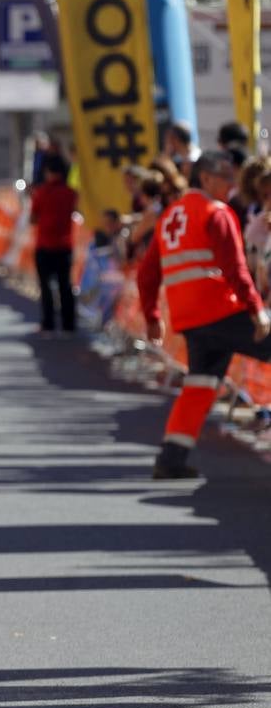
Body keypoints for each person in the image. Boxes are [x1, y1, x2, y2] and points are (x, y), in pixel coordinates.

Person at [136, 149, 271, 479]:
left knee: (200, 384)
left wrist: (153, 316)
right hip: (220, 310)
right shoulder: (216, 212)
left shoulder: (171, 215)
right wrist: (257, 312)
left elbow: (147, 272)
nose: (231, 185)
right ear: (206, 178)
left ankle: (171, 458)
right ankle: (171, 459)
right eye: (225, 177)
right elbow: (235, 270)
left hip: (190, 317)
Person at [29, 154, 78, 335]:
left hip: (45, 244)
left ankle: (48, 322)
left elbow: (33, 218)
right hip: (65, 245)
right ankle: (69, 323)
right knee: (66, 285)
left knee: (46, 286)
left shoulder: (41, 192)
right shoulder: (71, 193)